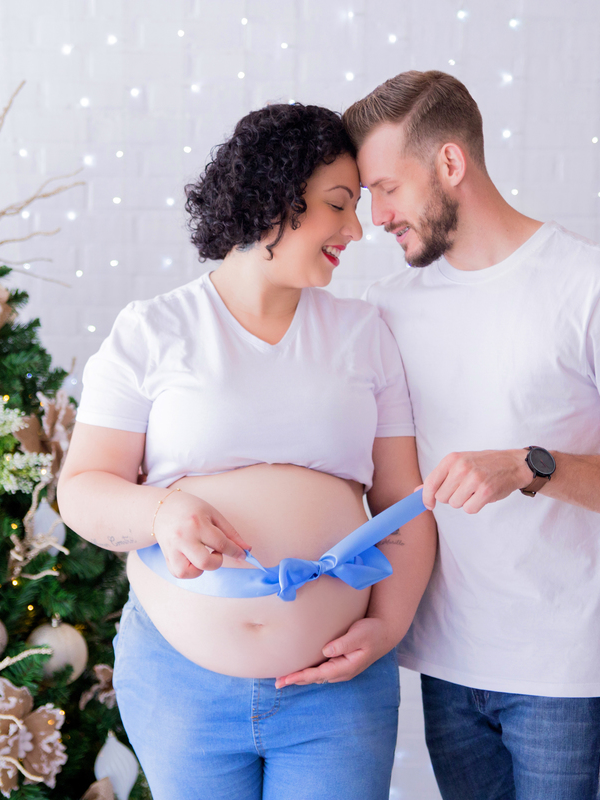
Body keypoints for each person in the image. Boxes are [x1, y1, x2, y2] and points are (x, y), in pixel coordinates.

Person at [56, 103, 436, 800]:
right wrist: (162, 512)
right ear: (273, 197)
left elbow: (404, 506)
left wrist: (386, 628)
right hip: (180, 688)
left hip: (337, 691)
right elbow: (82, 490)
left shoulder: (365, 334)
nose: (355, 229)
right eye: (337, 205)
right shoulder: (152, 330)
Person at [342, 71, 600, 800]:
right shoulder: (385, 309)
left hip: (563, 677)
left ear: (449, 163)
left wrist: (531, 466)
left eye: (387, 188)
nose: (376, 216)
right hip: (444, 664)